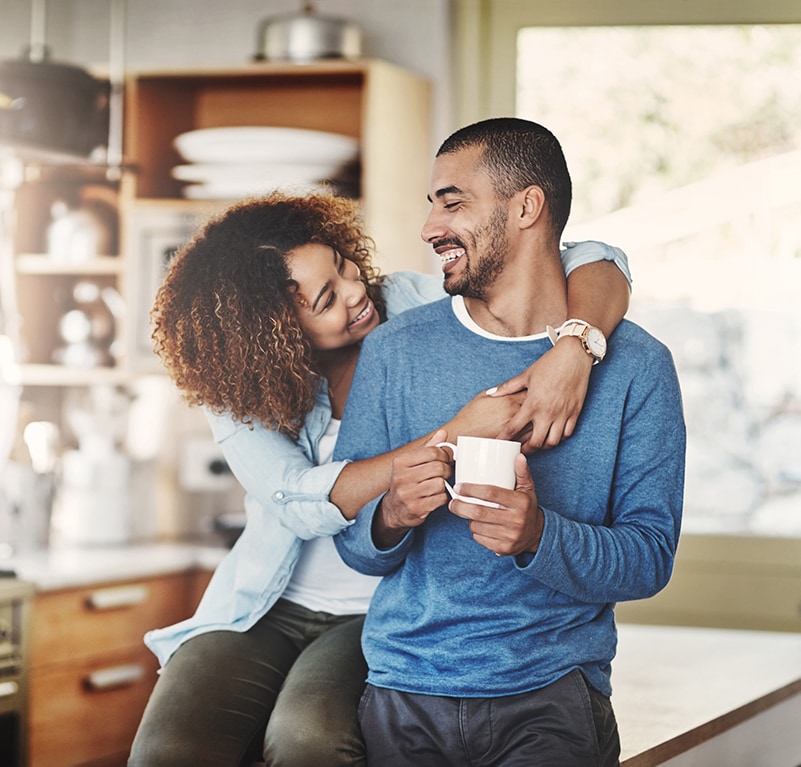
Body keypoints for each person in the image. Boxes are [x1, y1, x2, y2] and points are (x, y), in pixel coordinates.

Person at [128, 191, 632, 767]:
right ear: (274, 336)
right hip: (264, 604)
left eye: (343, 267)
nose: (355, 293)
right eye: (326, 299)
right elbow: (298, 498)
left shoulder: (413, 302)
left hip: (382, 604)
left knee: (307, 738)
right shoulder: (239, 387)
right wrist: (451, 433)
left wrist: (575, 345)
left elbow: (598, 259)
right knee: (167, 750)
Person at [333, 118, 686, 767]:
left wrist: (536, 536)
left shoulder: (637, 366)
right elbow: (352, 541)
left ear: (526, 206)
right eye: (431, 203)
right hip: (404, 691)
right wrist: (390, 514)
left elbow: (648, 558)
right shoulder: (393, 351)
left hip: (551, 697)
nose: (428, 227)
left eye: (452, 201)